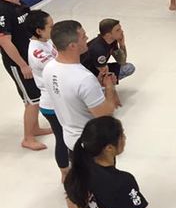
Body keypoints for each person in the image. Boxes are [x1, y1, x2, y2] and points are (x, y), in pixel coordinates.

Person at [27, 10, 88, 208]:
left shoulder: (46, 44)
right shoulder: (37, 51)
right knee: (63, 140)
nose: (54, 30)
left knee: (65, 138)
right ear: (39, 31)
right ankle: (66, 172)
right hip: (51, 104)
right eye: (50, 27)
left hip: (55, 99)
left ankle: (68, 173)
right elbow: (61, 63)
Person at [43, 20, 120, 152]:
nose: (87, 38)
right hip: (91, 144)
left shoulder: (49, 68)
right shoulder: (84, 79)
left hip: (70, 139)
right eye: (83, 36)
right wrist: (109, 87)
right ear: (73, 46)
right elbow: (105, 114)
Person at [0, 0, 52, 151]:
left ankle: (35, 128)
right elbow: (4, 41)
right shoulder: (3, 11)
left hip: (29, 59)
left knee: (36, 95)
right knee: (32, 100)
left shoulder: (21, 5)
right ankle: (28, 138)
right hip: (18, 64)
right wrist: (22, 65)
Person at [82, 19, 135, 83]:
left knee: (128, 68)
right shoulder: (98, 49)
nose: (122, 31)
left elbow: (122, 61)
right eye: (118, 30)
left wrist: (122, 44)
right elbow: (103, 72)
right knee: (106, 78)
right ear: (108, 35)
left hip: (98, 68)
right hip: (87, 74)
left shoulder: (112, 41)